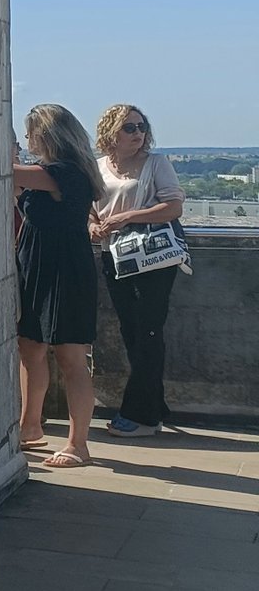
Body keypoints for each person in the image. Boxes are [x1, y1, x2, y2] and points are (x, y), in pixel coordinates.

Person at [14, 103, 104, 468]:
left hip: (64, 272)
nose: (26, 139)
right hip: (39, 269)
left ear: (46, 135)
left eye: (30, 132)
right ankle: (29, 427)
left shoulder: (64, 172)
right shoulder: (57, 172)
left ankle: (78, 445)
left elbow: (5, 172)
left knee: (71, 359)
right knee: (30, 350)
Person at [92, 104, 185, 435]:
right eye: (129, 127)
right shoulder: (98, 167)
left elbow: (173, 206)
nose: (139, 133)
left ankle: (139, 415)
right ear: (111, 132)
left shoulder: (156, 164)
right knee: (132, 331)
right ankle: (153, 408)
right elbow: (91, 207)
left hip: (153, 261)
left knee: (147, 331)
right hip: (113, 257)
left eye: (142, 126)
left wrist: (126, 217)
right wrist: (94, 225)